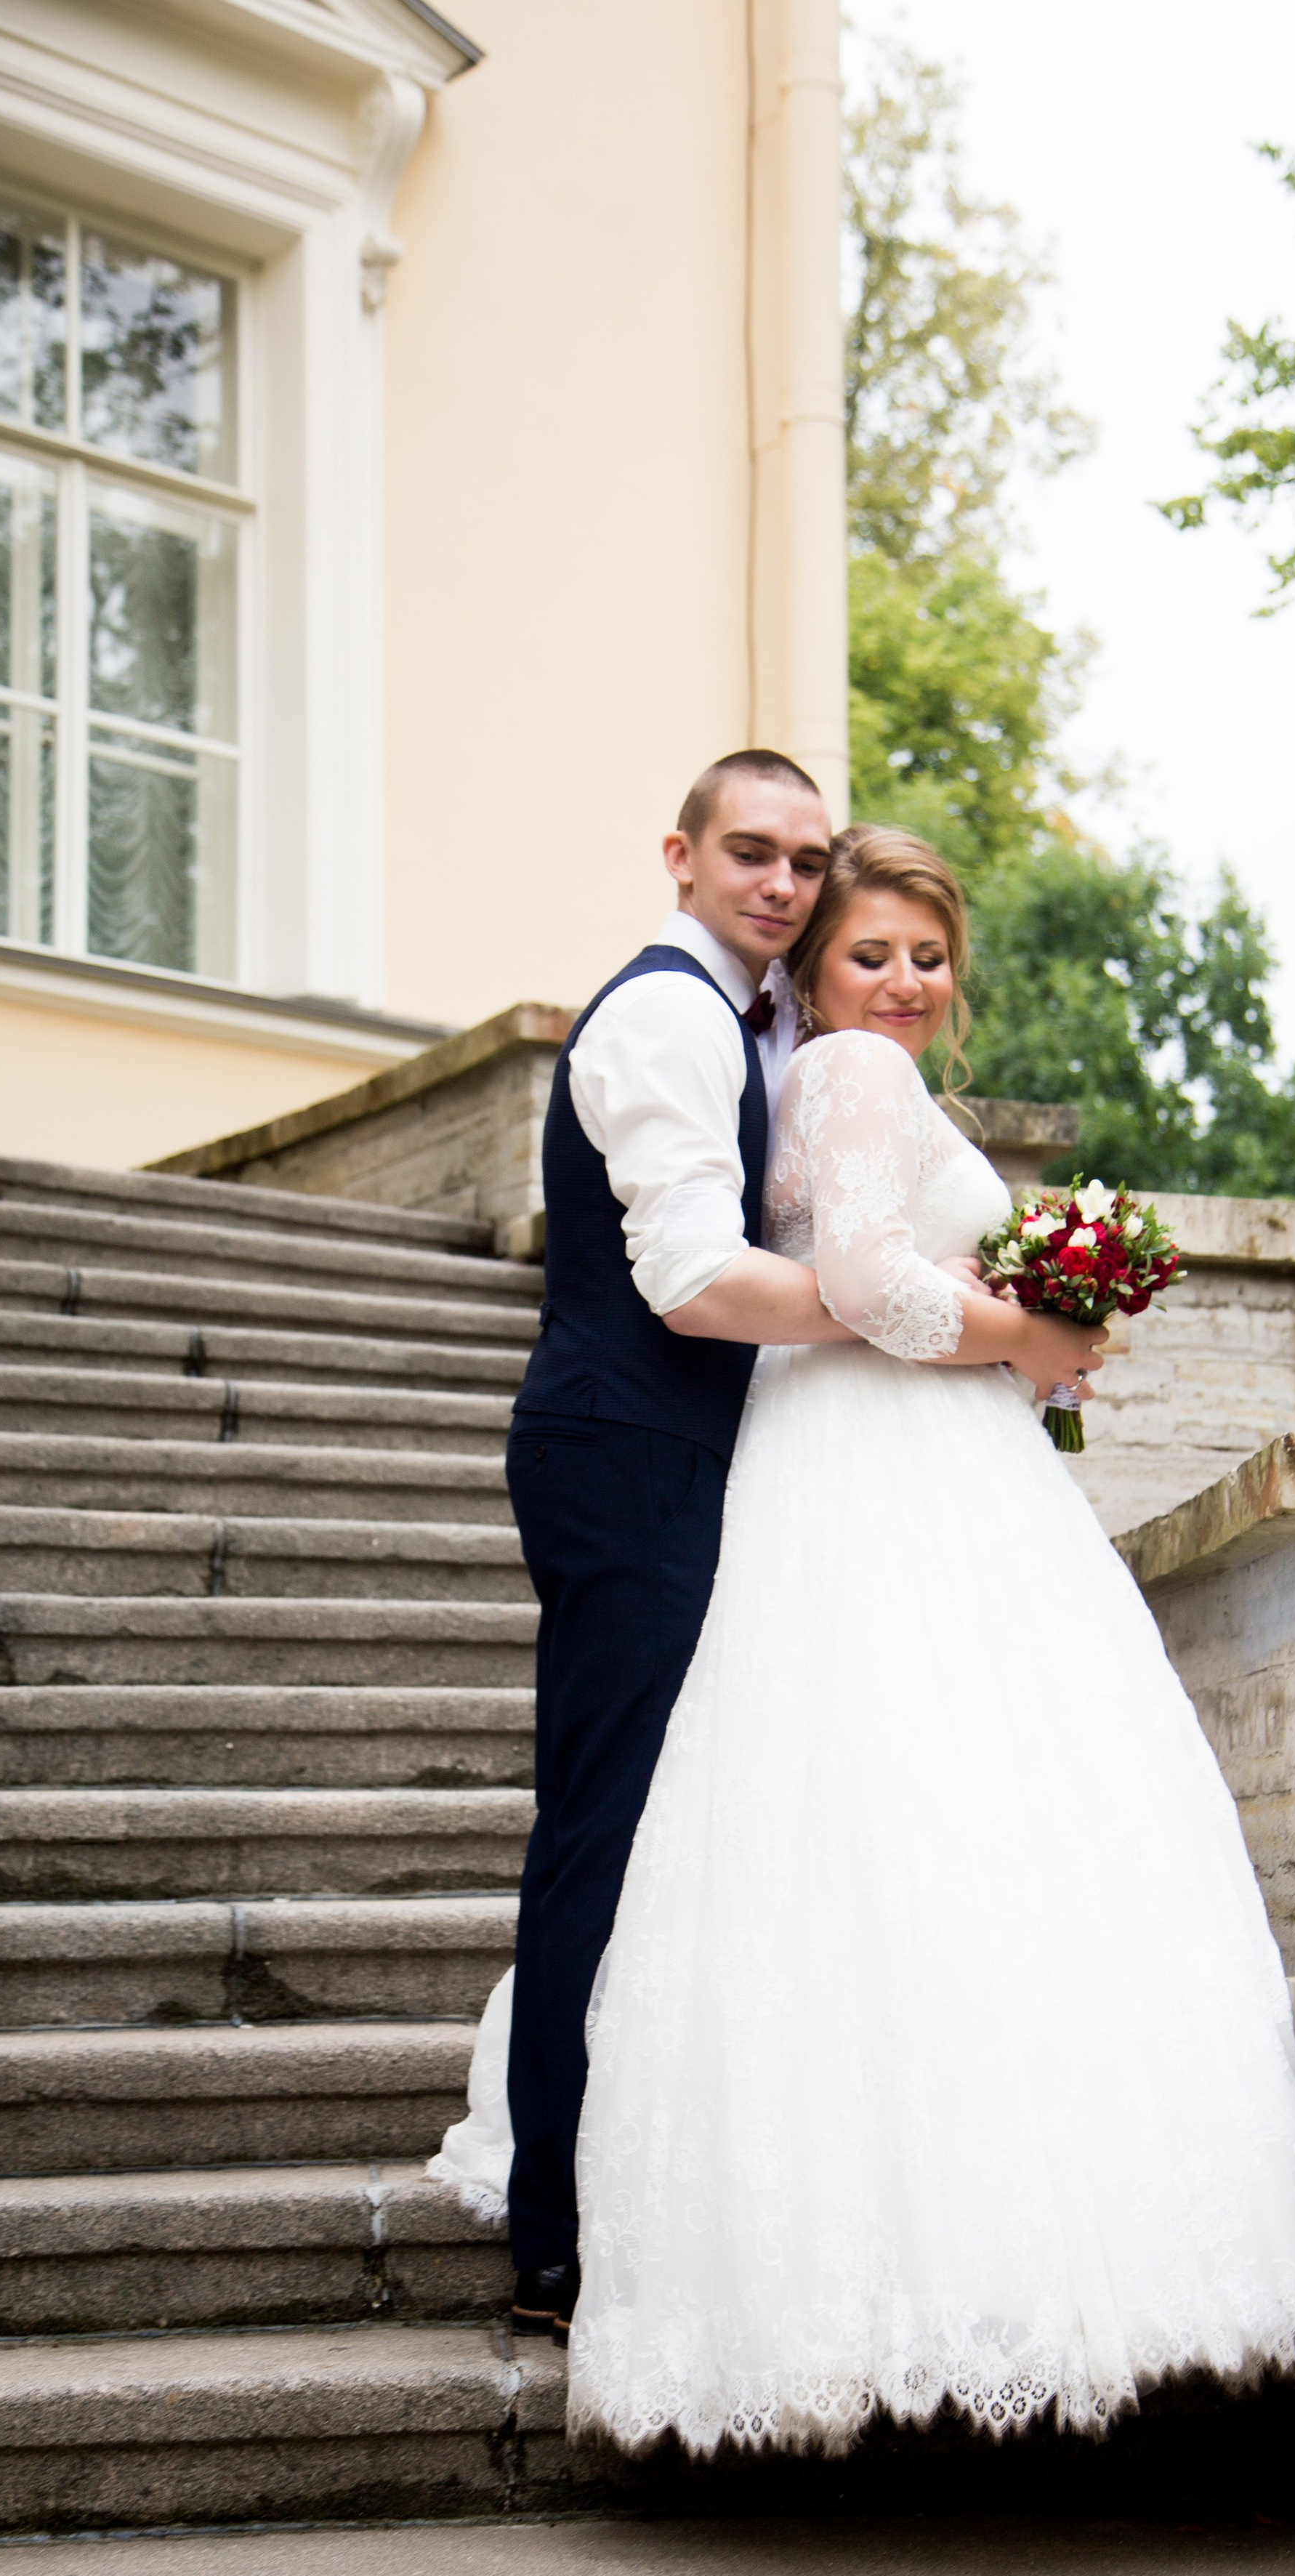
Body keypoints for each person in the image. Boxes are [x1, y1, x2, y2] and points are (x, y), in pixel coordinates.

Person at [438, 823, 1295, 2450]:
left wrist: (1022, 1338)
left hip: (866, 1441)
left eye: (928, 955)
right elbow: (866, 1276)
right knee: (937, 1798)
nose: (903, 980)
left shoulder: (831, 1073)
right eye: (869, 953)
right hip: (872, 1446)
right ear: (813, 967)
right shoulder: (851, 1080)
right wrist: (1032, 1330)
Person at [496, 754, 879, 2346]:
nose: (782, 884)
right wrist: (937, 1317)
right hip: (620, 1454)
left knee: (669, 1830)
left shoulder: (758, 1020)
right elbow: (688, 1280)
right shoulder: (664, 1015)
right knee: (603, 1827)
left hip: (681, 1454)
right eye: (750, 853)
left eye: (805, 860)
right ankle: (551, 2231)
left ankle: (632, 2185)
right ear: (680, 854)